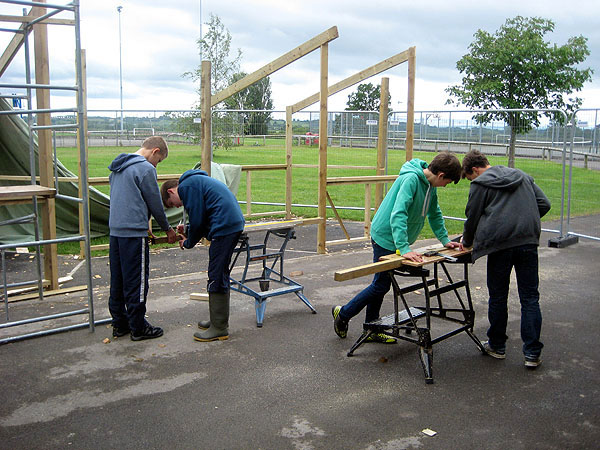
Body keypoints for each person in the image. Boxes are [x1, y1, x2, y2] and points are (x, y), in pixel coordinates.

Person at [332, 152, 462, 343]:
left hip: (397, 239)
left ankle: (372, 327)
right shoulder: (411, 179)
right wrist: (404, 247)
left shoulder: (430, 186)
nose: (446, 186)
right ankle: (343, 314)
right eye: (448, 182)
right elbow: (398, 213)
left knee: (381, 284)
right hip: (385, 236)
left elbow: (434, 213)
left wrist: (445, 240)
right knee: (381, 284)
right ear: (441, 174)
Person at [460, 150, 551, 368]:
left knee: (498, 296)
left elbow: (472, 217)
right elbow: (544, 204)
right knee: (530, 298)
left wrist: (467, 241)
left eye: (470, 177)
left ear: (474, 169)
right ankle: (532, 354)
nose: (472, 181)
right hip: (528, 241)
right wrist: (522, 220)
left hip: (500, 245)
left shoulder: (480, 184)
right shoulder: (522, 176)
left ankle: (497, 345)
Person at [161, 169, 245, 342]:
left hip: (224, 227)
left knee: (215, 274)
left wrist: (188, 242)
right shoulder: (196, 182)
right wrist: (189, 230)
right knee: (220, 272)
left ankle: (219, 328)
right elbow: (205, 217)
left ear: (171, 191)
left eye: (172, 203)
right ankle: (217, 320)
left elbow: (198, 220)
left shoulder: (186, 187)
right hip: (229, 223)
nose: (178, 206)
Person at [108, 136, 177, 341]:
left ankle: (119, 323)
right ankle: (138, 326)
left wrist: (144, 223)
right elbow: (154, 202)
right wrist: (168, 229)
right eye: (160, 160)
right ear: (155, 151)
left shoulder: (118, 167)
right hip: (133, 234)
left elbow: (130, 200)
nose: (157, 164)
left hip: (116, 230)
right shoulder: (145, 169)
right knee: (136, 281)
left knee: (118, 279)